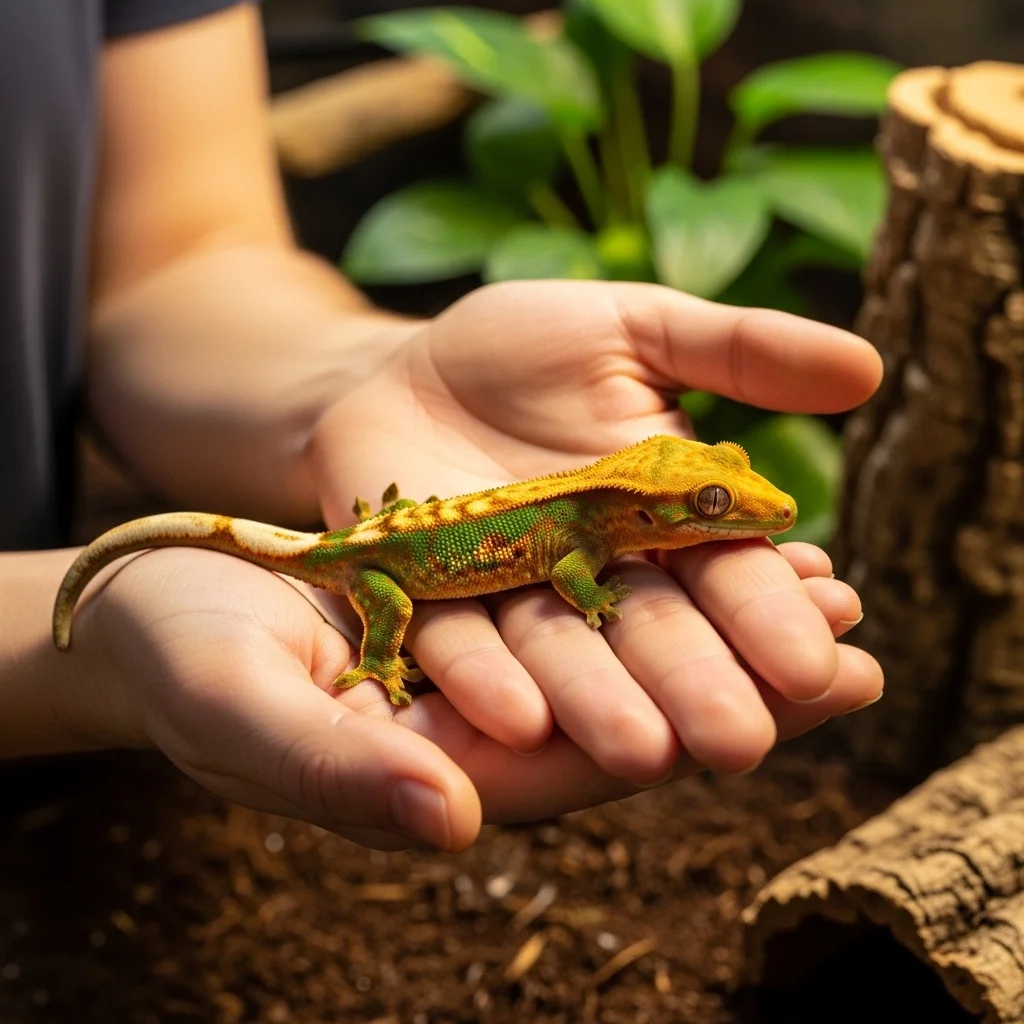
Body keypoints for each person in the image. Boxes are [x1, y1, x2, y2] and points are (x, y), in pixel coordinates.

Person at [0, 1, 883, 853]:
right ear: (649, 511)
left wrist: (356, 380)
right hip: (368, 566)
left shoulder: (603, 516)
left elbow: (181, 257)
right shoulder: (586, 539)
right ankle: (383, 654)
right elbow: (575, 573)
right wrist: (84, 662)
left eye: (714, 487)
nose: (742, 512)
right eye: (713, 501)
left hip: (374, 532)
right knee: (388, 606)